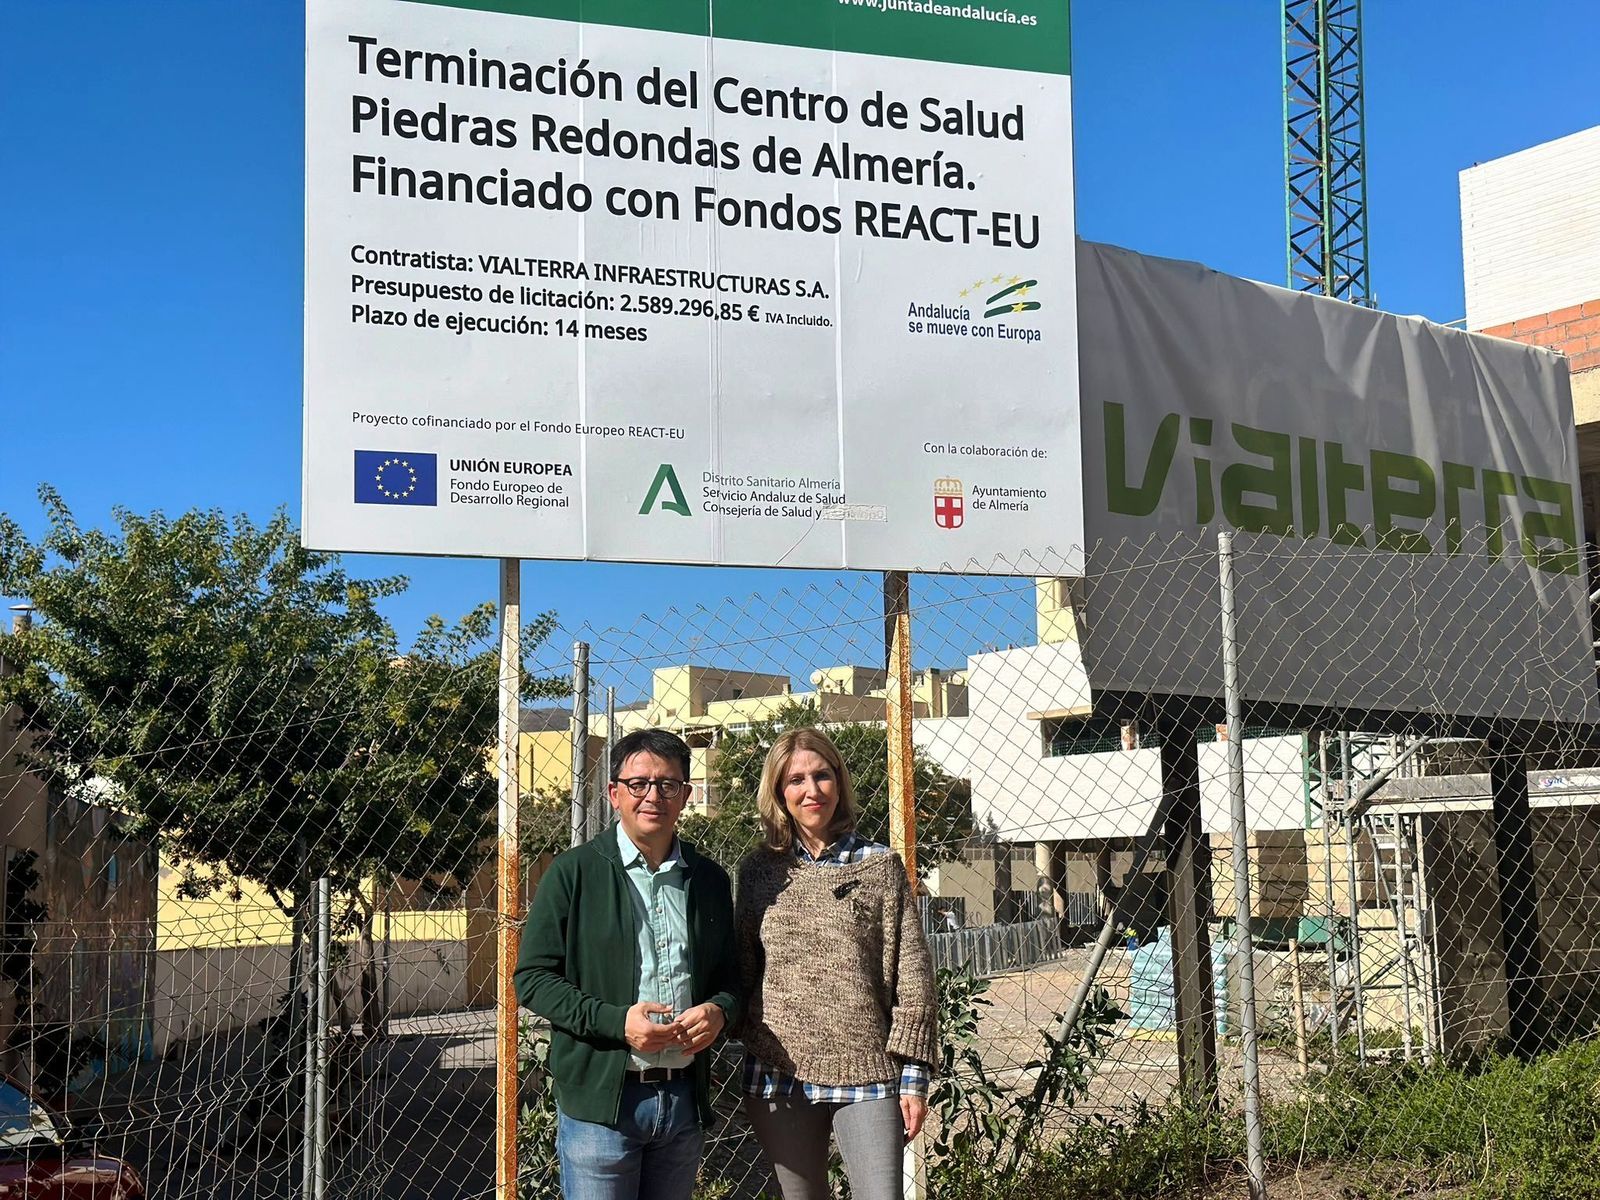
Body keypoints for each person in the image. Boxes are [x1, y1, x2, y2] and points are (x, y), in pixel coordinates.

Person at [515, 728, 741, 1200]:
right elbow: (532, 979)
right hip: (601, 1106)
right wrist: (618, 1023)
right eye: (639, 784)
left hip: (681, 1101)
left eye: (668, 784)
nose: (652, 795)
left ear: (686, 795)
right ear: (615, 793)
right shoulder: (573, 873)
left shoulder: (710, 881)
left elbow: (730, 978)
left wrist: (719, 1010)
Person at [735, 728, 940, 1200]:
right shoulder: (758, 872)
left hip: (869, 1070)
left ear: (839, 782)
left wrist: (914, 1077)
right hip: (777, 1072)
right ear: (778, 792)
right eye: (796, 780)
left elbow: (913, 978)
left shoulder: (881, 866)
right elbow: (744, 970)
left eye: (822, 775)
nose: (811, 790)